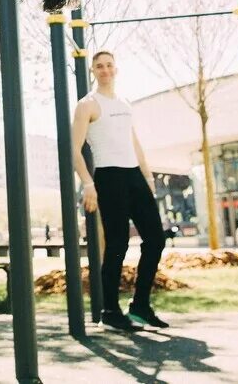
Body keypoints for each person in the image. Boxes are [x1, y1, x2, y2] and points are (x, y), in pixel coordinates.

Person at [71, 50, 168, 331]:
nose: (105, 70)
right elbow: (74, 150)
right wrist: (88, 183)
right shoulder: (87, 104)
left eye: (109, 65)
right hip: (108, 176)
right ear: (93, 71)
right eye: (99, 66)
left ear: (116, 69)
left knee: (156, 239)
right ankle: (111, 310)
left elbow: (133, 142)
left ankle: (140, 306)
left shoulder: (125, 103)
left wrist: (148, 177)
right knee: (117, 245)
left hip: (134, 174)